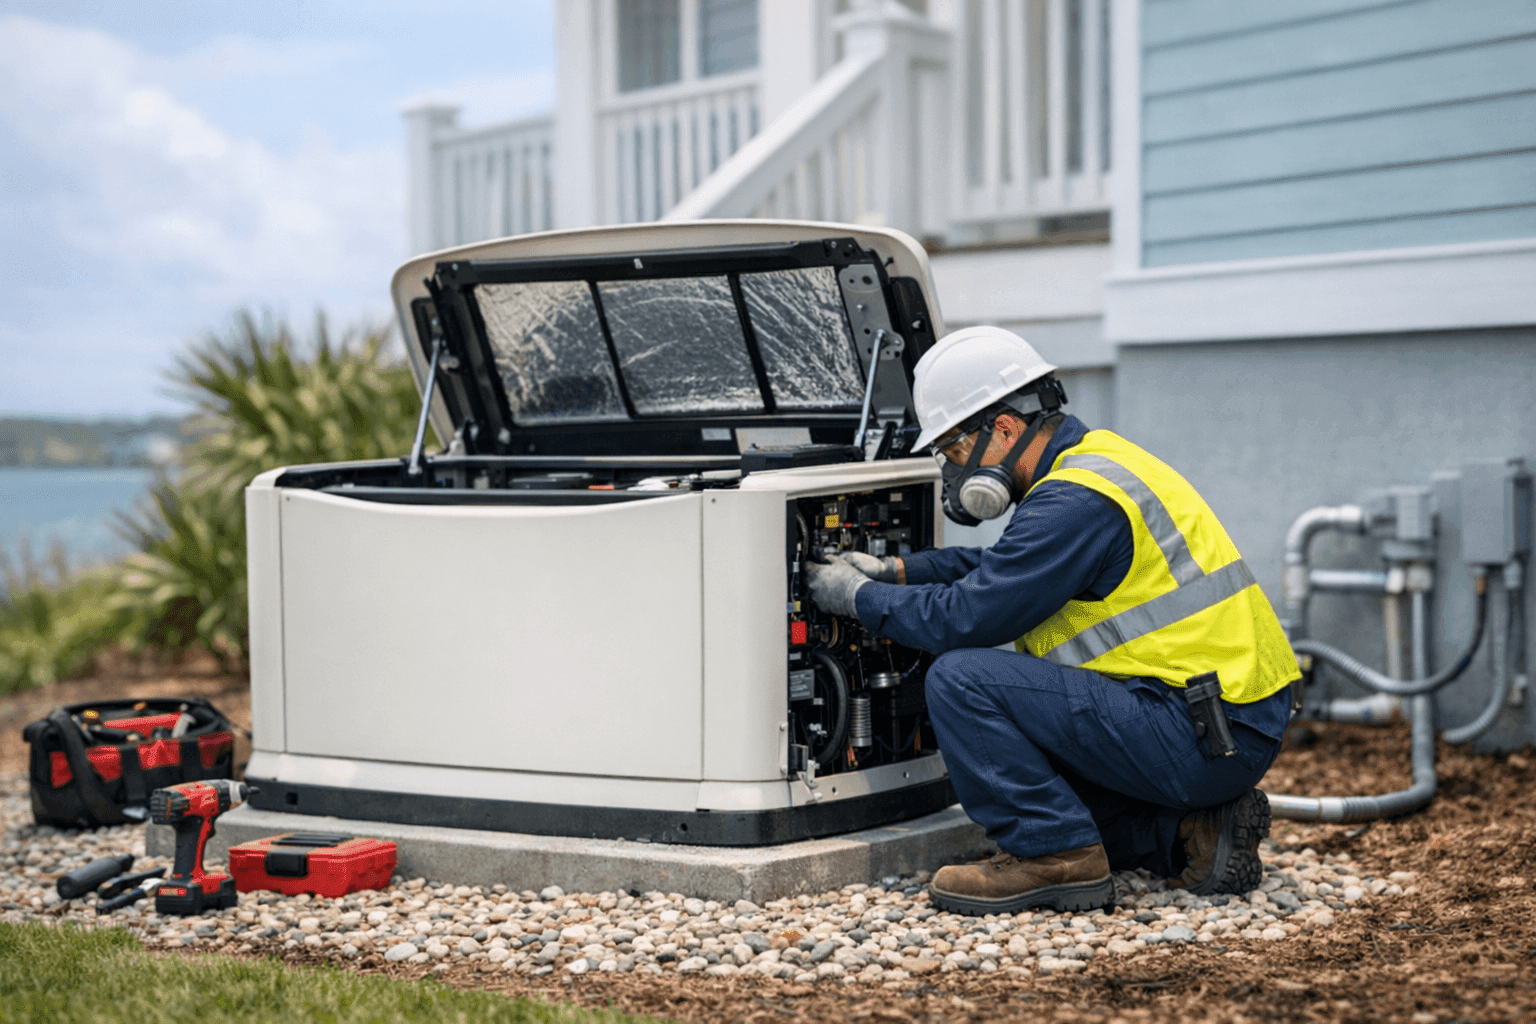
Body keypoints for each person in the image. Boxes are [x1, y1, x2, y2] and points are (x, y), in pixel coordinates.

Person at [805, 326, 1300, 916]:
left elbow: (965, 617)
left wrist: (857, 596)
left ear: (1005, 429)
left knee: (962, 679)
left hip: (1198, 732)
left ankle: (1054, 860)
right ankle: (1193, 833)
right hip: (1220, 724)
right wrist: (892, 569)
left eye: (956, 451)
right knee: (1035, 781)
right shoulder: (1094, 466)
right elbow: (1005, 566)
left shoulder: (1073, 502)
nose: (955, 475)